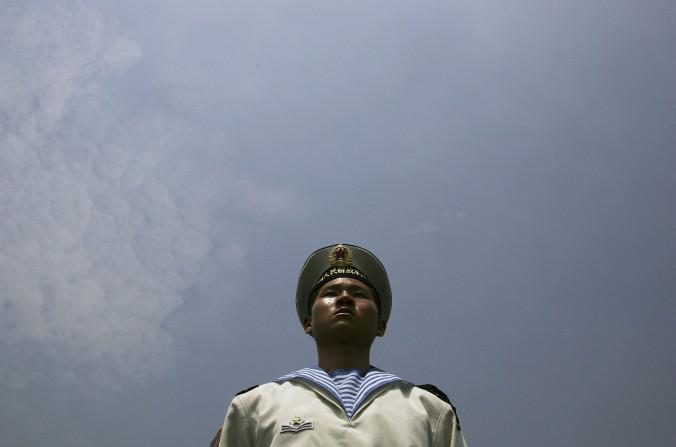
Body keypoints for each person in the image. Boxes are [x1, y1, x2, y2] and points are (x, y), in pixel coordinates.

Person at [211, 243, 467, 447]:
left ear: (381, 325)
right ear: (308, 322)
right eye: (330, 293)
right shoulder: (255, 405)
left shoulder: (428, 408)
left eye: (359, 294)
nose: (344, 298)